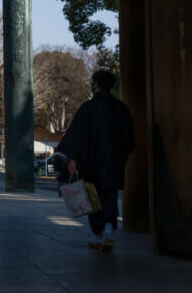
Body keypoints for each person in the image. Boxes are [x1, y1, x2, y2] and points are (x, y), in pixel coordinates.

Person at [57, 69, 135, 252]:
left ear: (97, 84)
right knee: (110, 195)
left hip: (90, 163)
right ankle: (109, 227)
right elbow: (129, 139)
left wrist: (73, 158)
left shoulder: (88, 108)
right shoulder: (120, 108)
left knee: (93, 197)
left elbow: (77, 136)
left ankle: (97, 233)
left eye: (93, 83)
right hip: (114, 163)